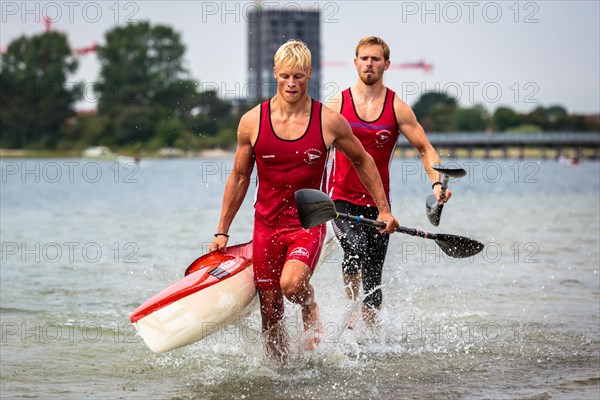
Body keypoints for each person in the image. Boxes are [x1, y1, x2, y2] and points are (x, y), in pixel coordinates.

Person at [209, 40, 399, 361]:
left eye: (298, 76)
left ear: (310, 74)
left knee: (292, 284)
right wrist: (221, 232)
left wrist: (384, 209)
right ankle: (280, 376)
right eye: (285, 76)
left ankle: (311, 305)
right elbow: (239, 178)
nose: (292, 83)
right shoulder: (252, 122)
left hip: (306, 223)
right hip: (266, 226)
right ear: (275, 74)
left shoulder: (328, 121)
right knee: (270, 309)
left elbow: (363, 160)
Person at [326, 36, 452, 329]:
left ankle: (371, 335)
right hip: (339, 199)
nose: (370, 63)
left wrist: (437, 184)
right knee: (353, 248)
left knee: (374, 276)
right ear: (355, 62)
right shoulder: (337, 104)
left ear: (386, 64)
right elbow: (316, 146)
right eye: (364, 58)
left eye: (375, 58)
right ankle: (350, 315)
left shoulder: (397, 108)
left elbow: (425, 148)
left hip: (379, 204)